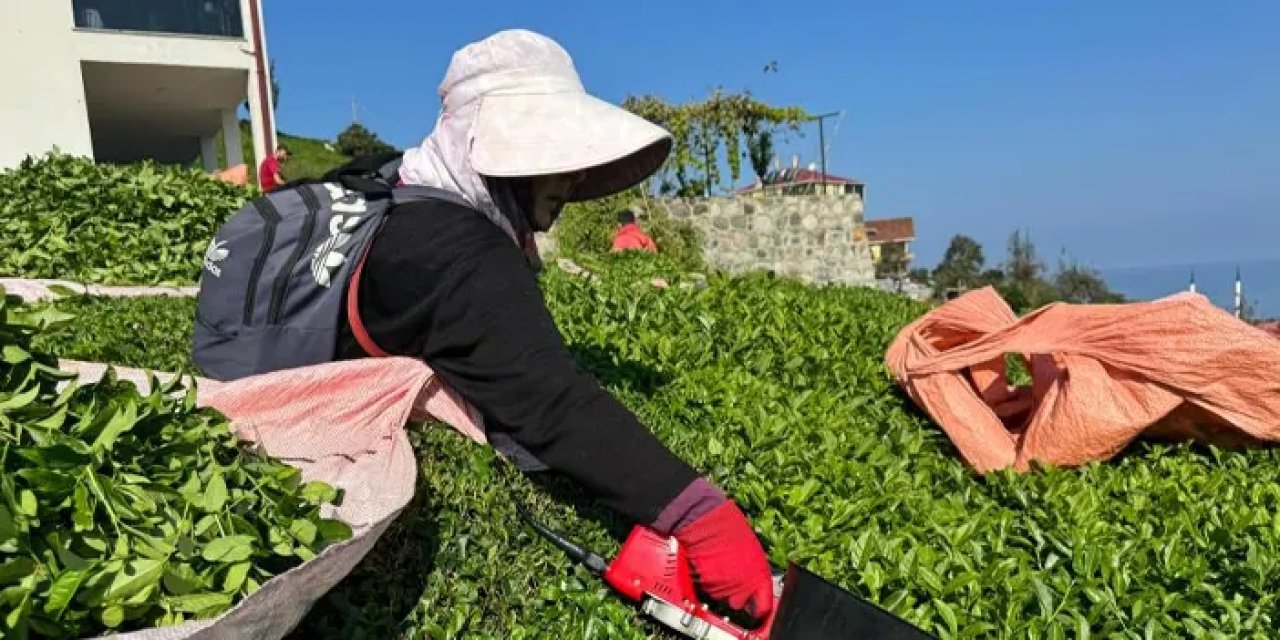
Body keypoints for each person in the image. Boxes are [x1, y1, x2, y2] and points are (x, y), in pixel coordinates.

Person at [335, 30, 776, 621]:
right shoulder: (455, 249)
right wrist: (702, 519)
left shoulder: (405, 193)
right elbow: (550, 404)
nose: (569, 178)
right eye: (547, 155)